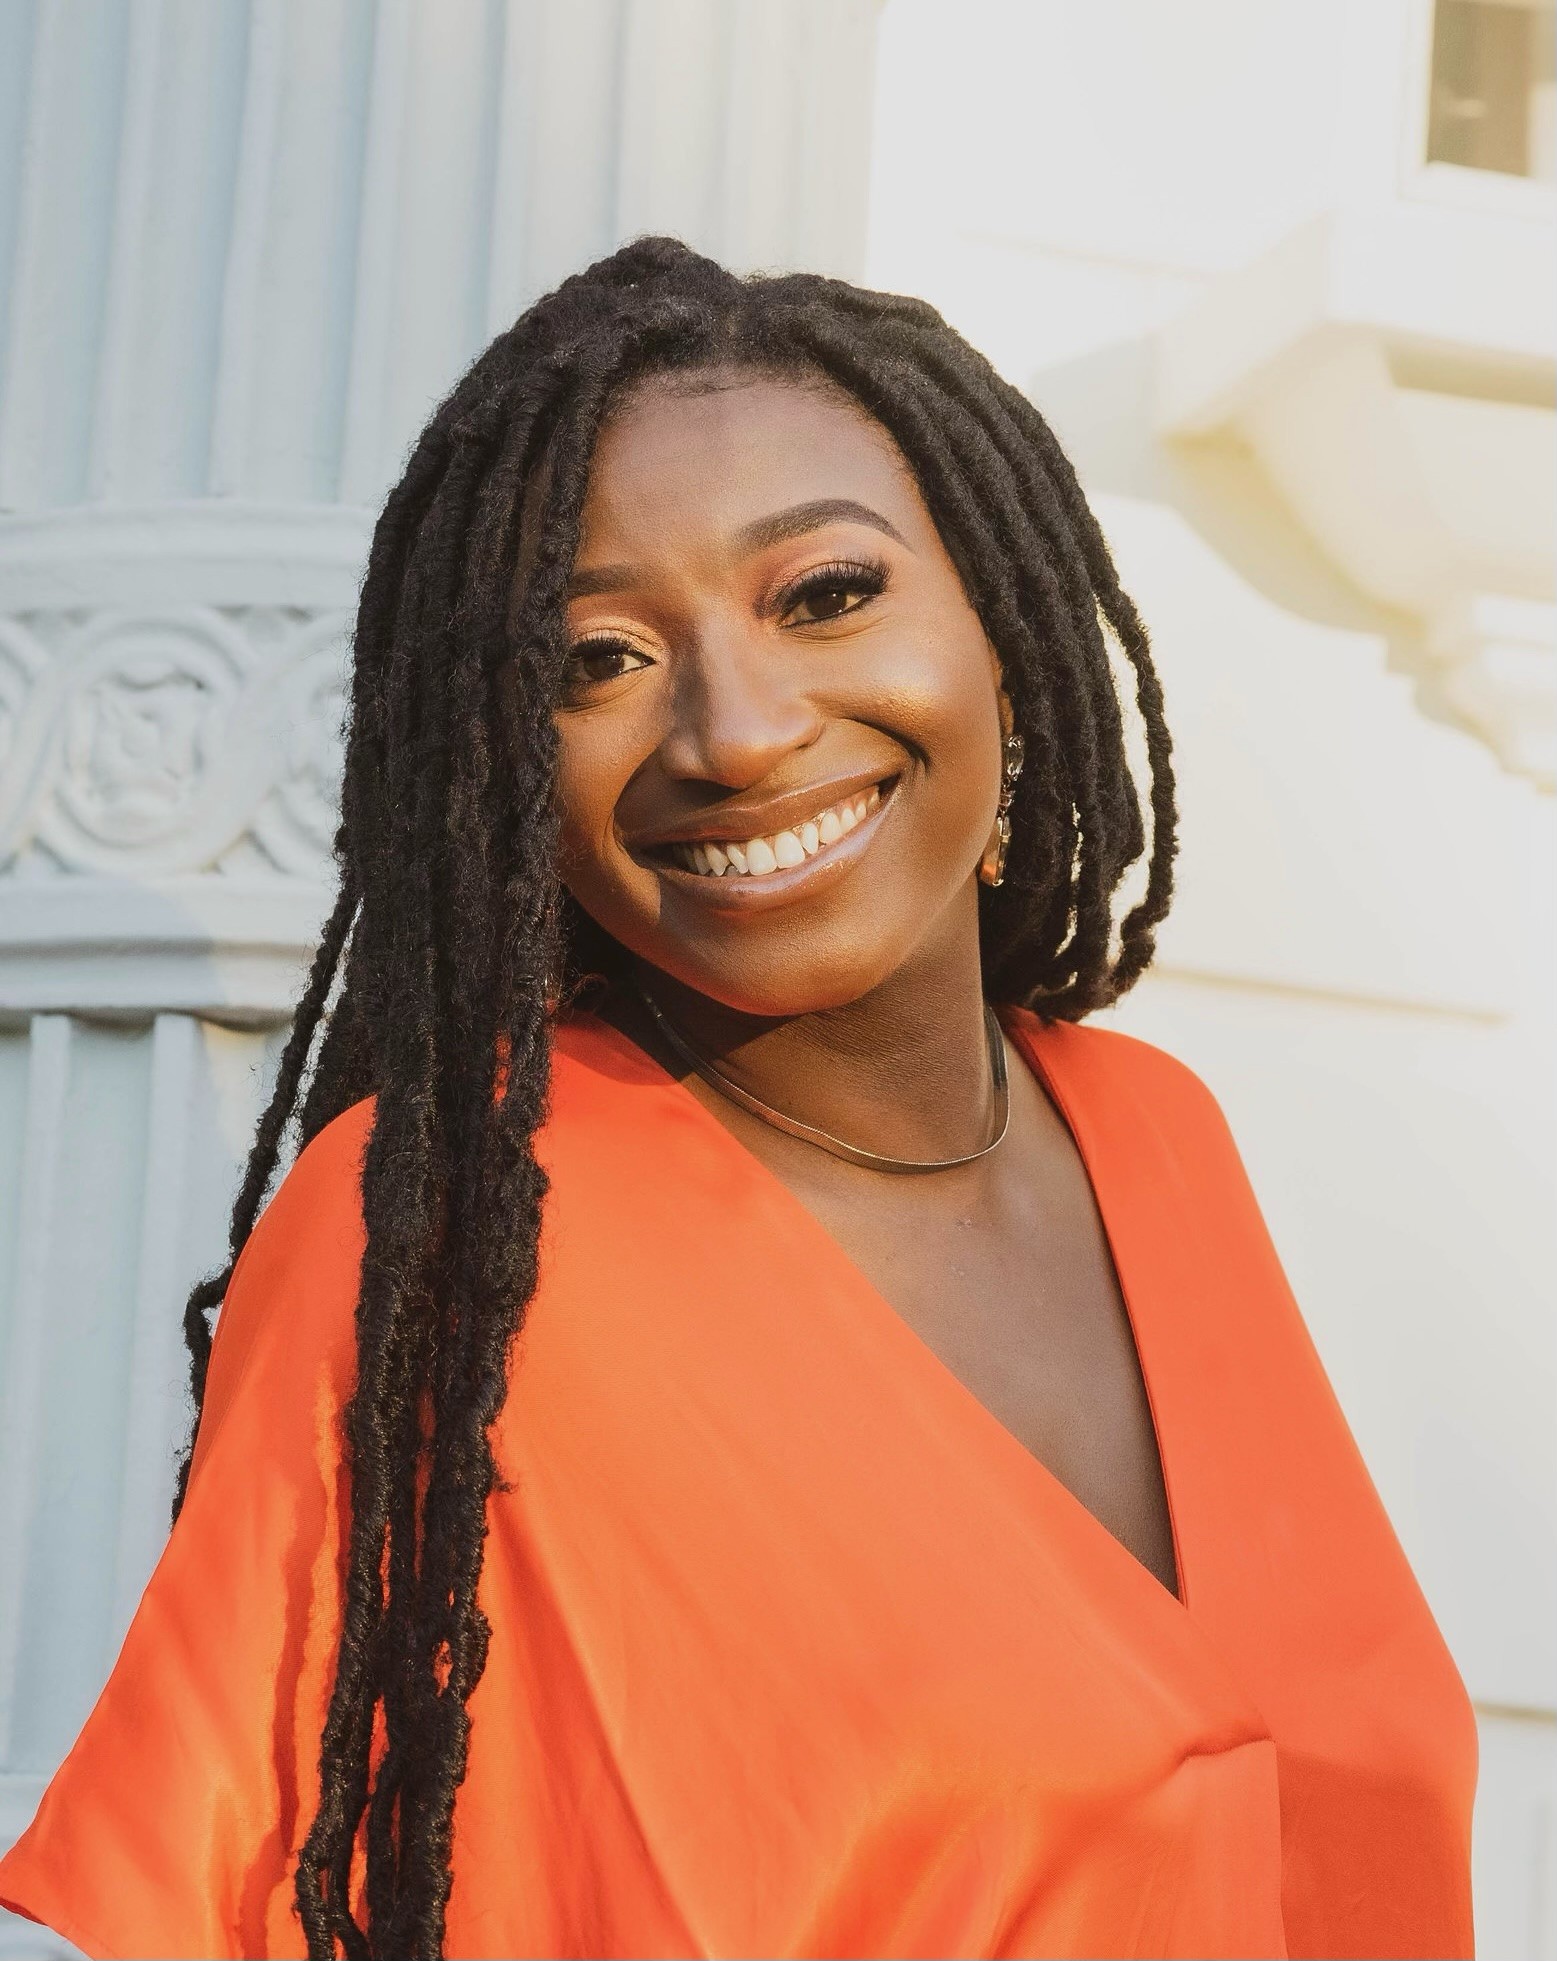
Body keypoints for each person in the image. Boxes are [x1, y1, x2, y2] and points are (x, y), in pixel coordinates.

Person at [0, 239, 1475, 1961]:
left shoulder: (1153, 1135)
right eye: (598, 657)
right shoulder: (451, 1232)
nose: (734, 727)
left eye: (825, 593)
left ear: (1004, 622)